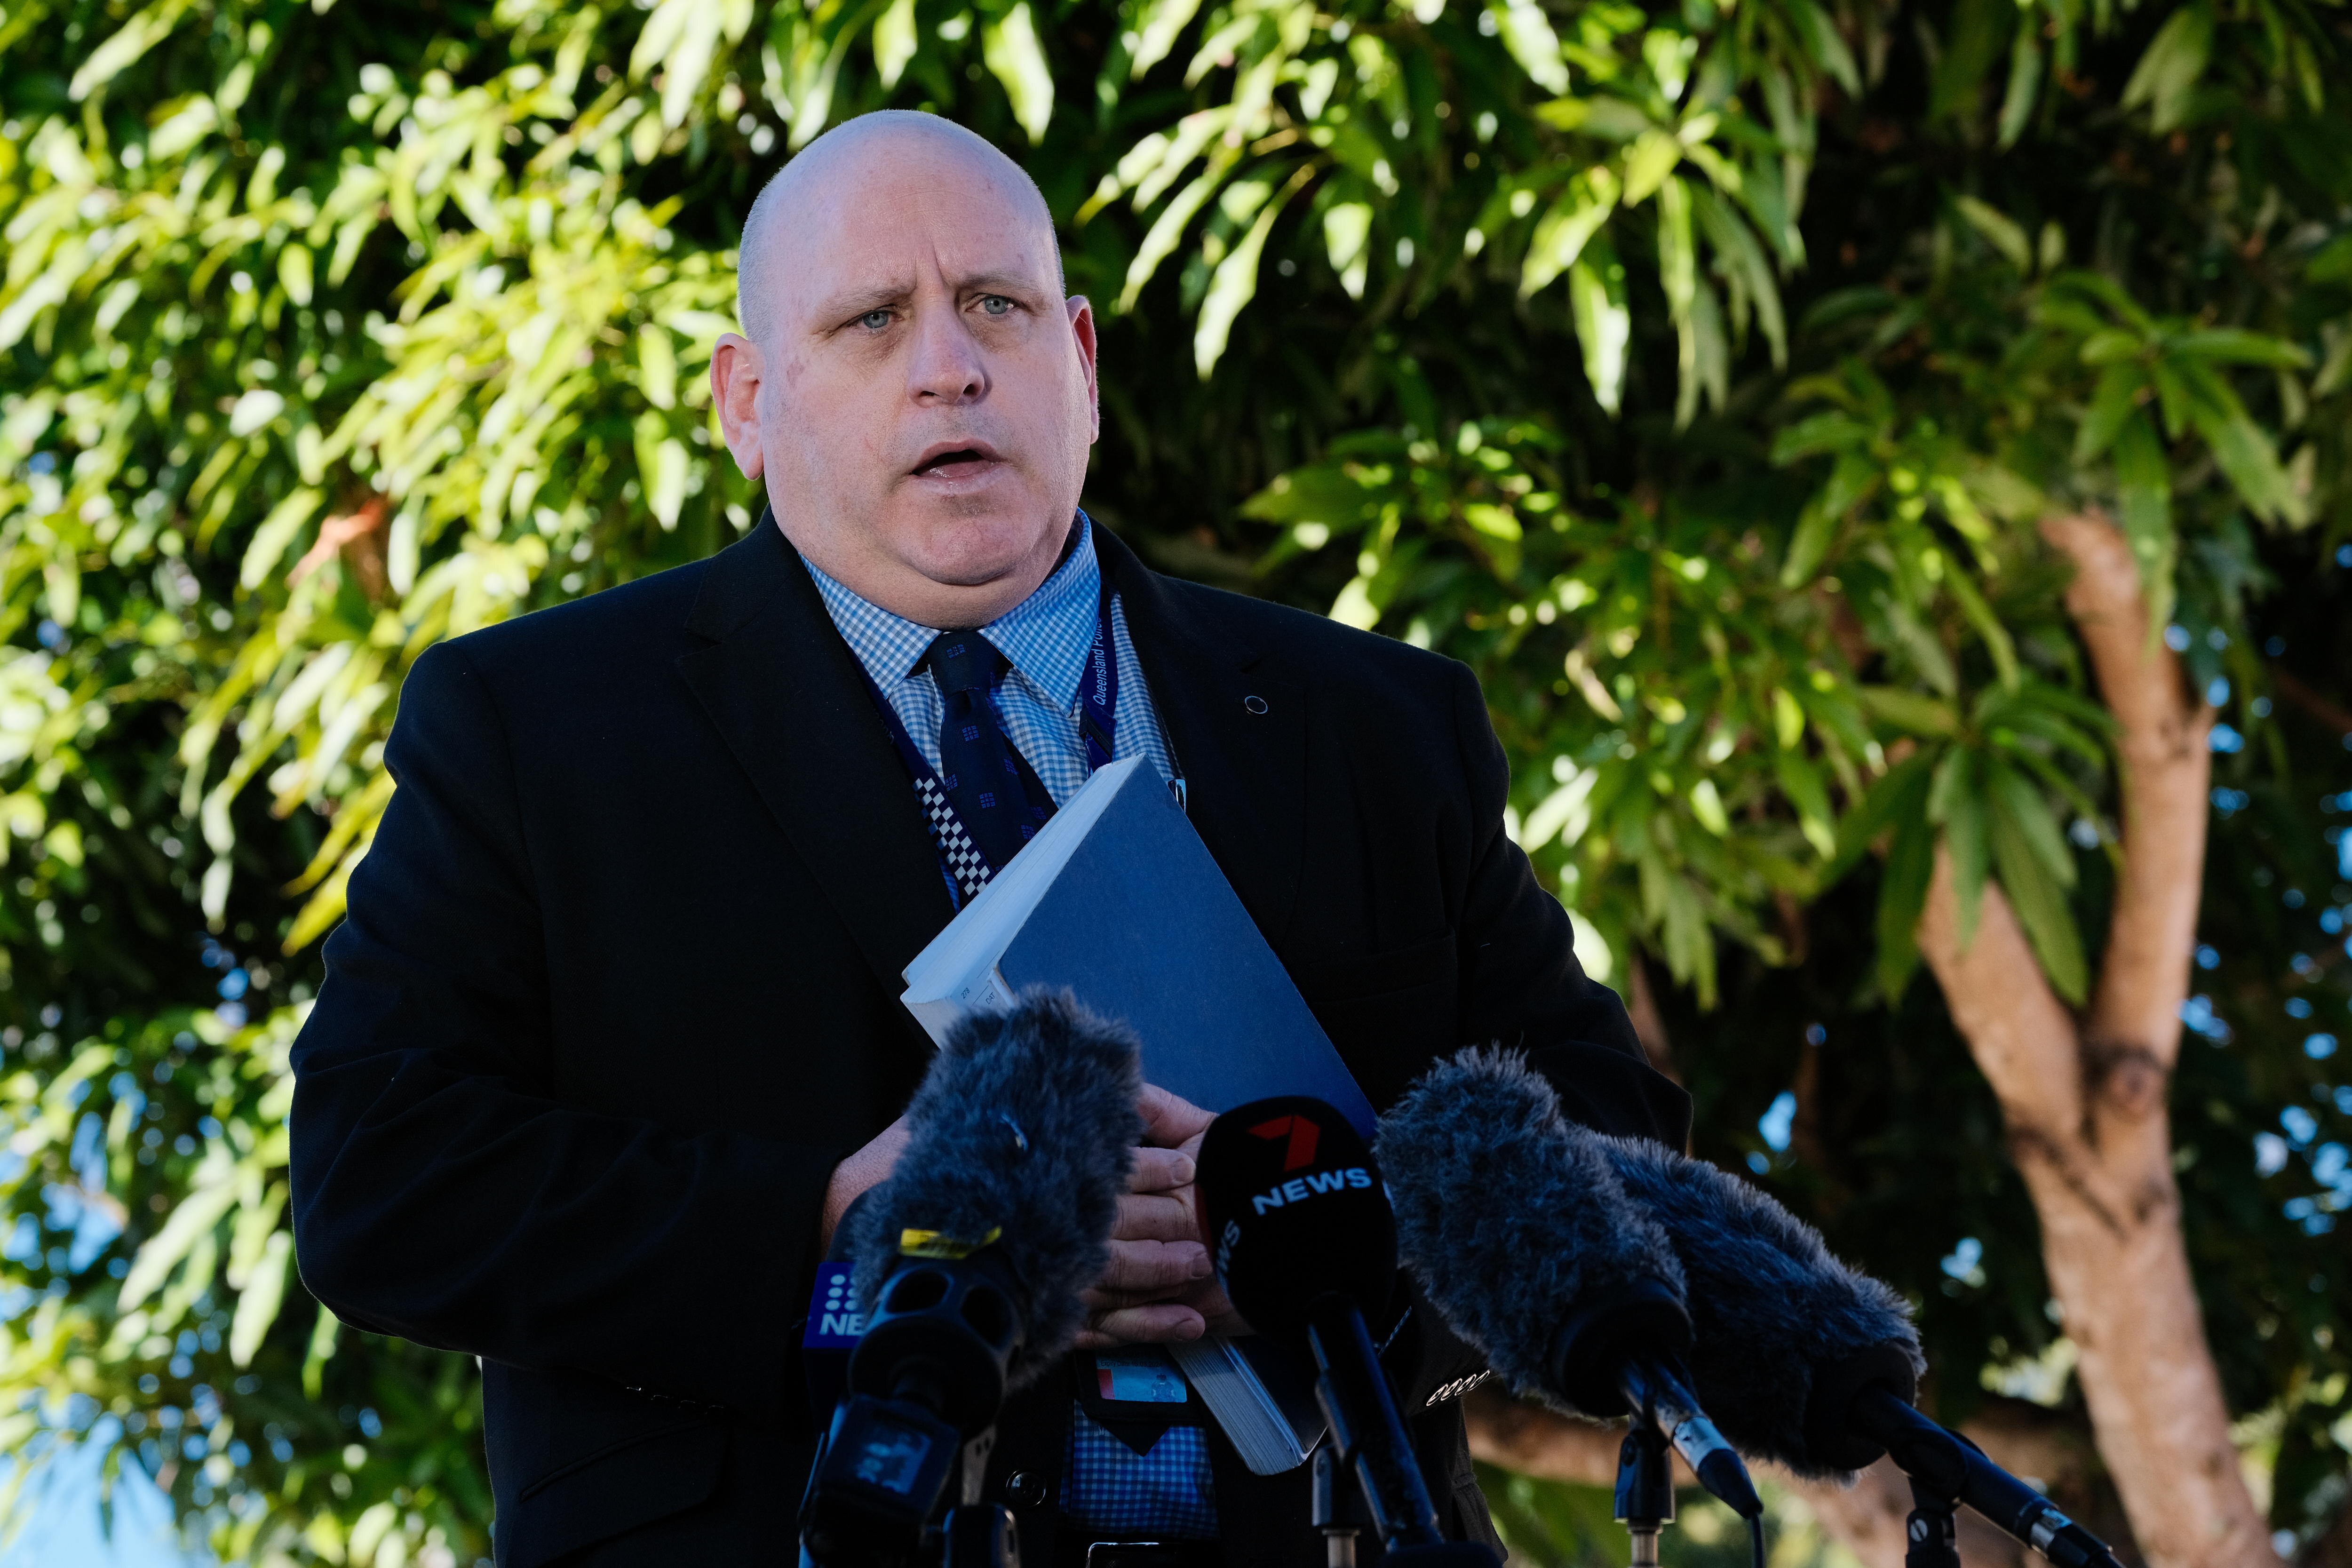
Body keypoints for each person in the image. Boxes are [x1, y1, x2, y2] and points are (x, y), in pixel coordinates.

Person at [287, 110, 1687, 1568]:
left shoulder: (1379, 726)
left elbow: (1620, 1141)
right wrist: (833, 1229)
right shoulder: (538, 725)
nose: (949, 364)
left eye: (997, 308)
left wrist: (1342, 1240)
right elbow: (377, 1172)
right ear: (748, 405)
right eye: (874, 319)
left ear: (1079, 367)